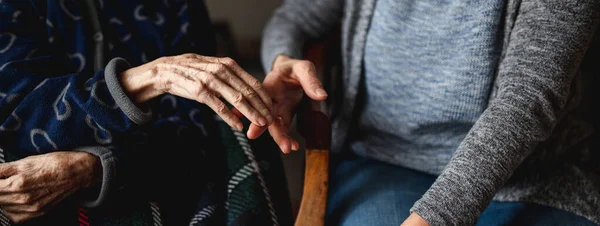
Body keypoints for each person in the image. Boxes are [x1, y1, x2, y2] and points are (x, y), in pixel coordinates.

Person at [256, 0, 600, 225]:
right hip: (380, 162)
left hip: (528, 179)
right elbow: (293, 19)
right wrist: (283, 60)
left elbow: (528, 98)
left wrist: (434, 216)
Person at [0, 0, 292, 225]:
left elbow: (195, 132)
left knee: (240, 130)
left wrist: (95, 167)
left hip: (160, 189)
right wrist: (148, 78)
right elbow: (16, 120)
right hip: (31, 199)